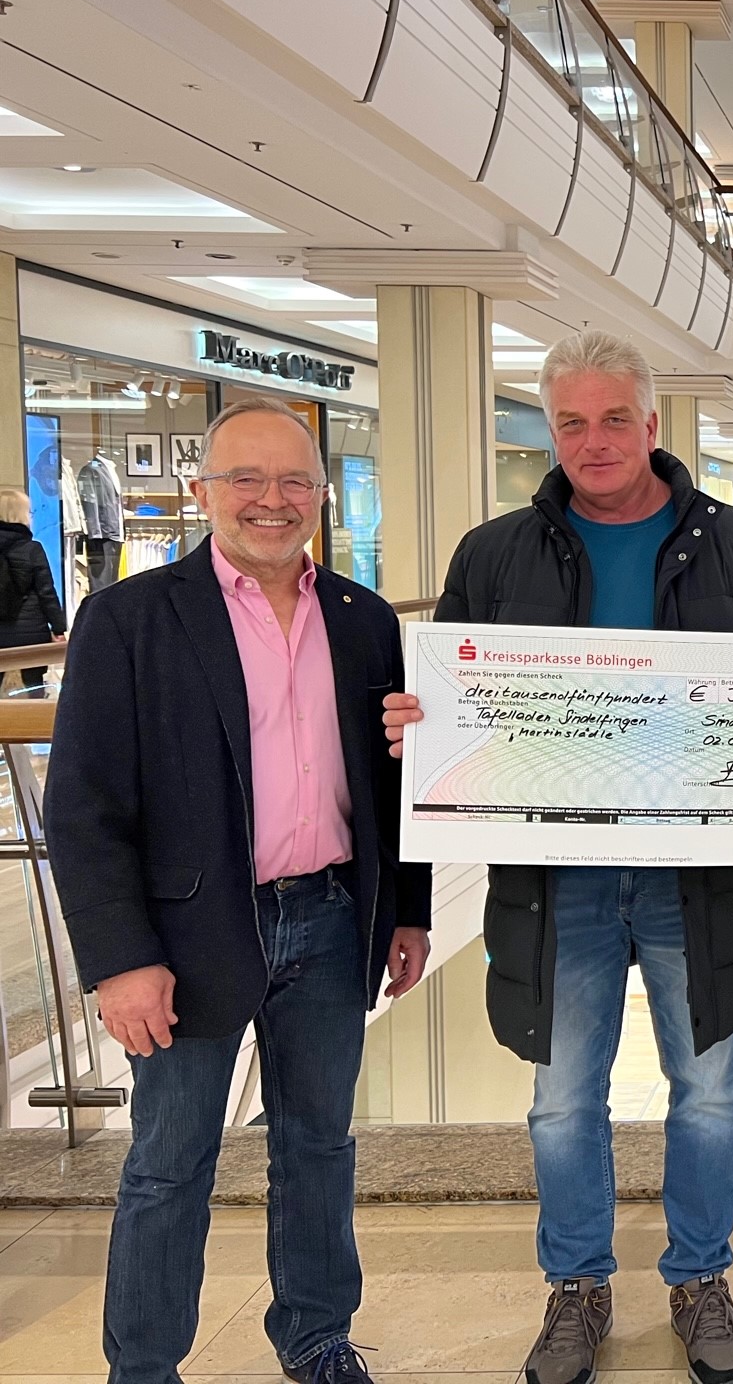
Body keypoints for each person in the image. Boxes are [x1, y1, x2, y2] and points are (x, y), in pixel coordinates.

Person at [379, 332, 733, 1384]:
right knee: (561, 1099)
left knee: (710, 1092)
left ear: (652, 425)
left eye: (613, 419)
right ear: (551, 430)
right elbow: (459, 708)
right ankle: (577, 1285)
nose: (593, 441)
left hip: (709, 881)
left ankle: (699, 1276)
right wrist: (428, 724)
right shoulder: (493, 554)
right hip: (559, 885)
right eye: (570, 422)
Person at [45, 398, 432, 1384]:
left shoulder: (364, 620)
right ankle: (144, 1366)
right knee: (170, 1164)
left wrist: (408, 912)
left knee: (319, 1147)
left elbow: (399, 782)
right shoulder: (130, 620)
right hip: (189, 934)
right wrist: (121, 960)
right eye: (246, 480)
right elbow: (84, 807)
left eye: (294, 480)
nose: (272, 500)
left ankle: (315, 1337)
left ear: (321, 494)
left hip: (332, 918)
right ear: (201, 491)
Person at [0, 486, 66, 693]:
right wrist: (58, 629)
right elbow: (46, 593)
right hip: (31, 633)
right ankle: (36, 720)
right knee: (35, 684)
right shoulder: (32, 549)